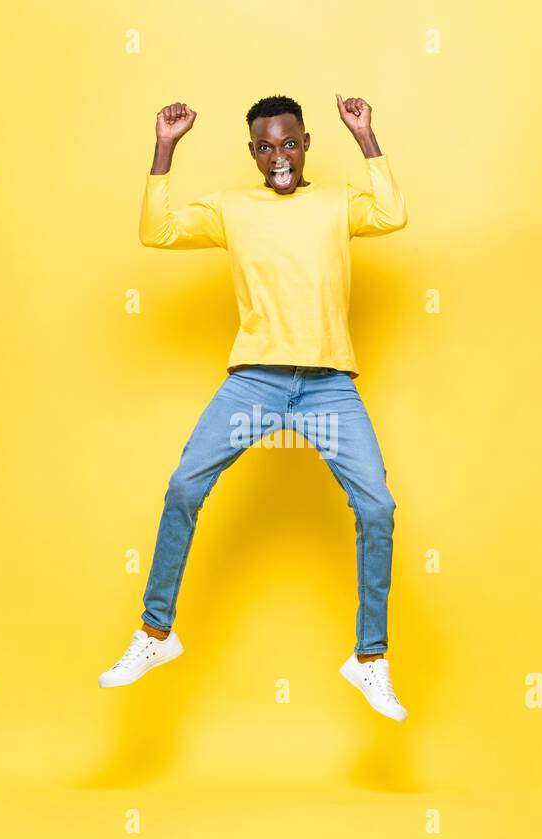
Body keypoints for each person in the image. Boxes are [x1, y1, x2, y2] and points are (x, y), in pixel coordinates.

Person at [98, 94, 409, 722]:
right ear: (252, 152)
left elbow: (393, 214)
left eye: (289, 144)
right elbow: (155, 232)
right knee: (185, 486)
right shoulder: (230, 209)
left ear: (305, 143)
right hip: (256, 383)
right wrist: (166, 146)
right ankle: (155, 635)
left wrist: (367, 136)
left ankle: (370, 659)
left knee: (376, 506)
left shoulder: (335, 202)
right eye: (266, 147)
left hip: (327, 384)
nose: (279, 157)